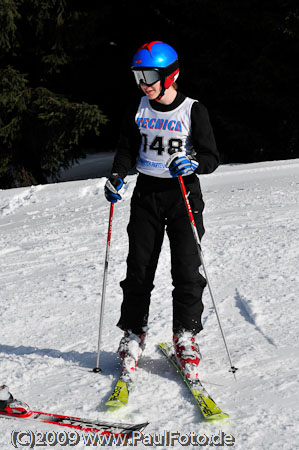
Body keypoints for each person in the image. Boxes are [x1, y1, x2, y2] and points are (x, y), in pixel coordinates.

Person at [104, 41, 219, 380]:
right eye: (139, 75)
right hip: (147, 195)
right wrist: (116, 176)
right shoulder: (138, 107)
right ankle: (132, 334)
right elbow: (126, 149)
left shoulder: (193, 110)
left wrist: (193, 162)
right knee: (139, 268)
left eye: (151, 75)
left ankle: (185, 336)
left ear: (171, 75)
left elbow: (212, 158)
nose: (144, 82)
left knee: (186, 267)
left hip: (182, 193)